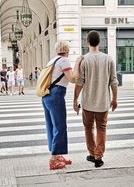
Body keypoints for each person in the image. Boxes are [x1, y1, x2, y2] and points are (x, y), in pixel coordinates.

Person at [74, 30, 118, 168]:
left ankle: (92, 154)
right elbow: (114, 81)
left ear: (87, 42)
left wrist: (75, 100)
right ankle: (99, 156)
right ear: (100, 42)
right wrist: (114, 99)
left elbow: (79, 83)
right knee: (101, 128)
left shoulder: (84, 60)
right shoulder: (108, 59)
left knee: (88, 128)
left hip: (87, 103)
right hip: (103, 103)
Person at [42, 41, 83, 170]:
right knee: (60, 127)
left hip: (46, 95)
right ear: (66, 50)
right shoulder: (64, 60)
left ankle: (57, 153)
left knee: (52, 126)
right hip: (56, 95)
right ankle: (54, 159)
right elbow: (72, 79)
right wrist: (77, 63)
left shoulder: (52, 61)